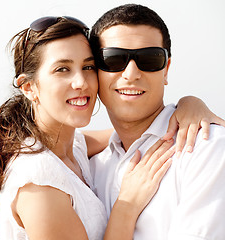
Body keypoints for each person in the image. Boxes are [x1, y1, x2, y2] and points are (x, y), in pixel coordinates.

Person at [0, 16, 222, 240]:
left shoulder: (73, 149)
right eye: (62, 69)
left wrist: (189, 107)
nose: (81, 82)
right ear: (29, 87)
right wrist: (126, 206)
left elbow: (138, 133)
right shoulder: (40, 182)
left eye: (87, 67)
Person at [90, 4, 225, 239]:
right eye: (113, 59)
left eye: (149, 58)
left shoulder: (208, 148)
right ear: (94, 71)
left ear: (166, 69)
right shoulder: (89, 167)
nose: (131, 73)